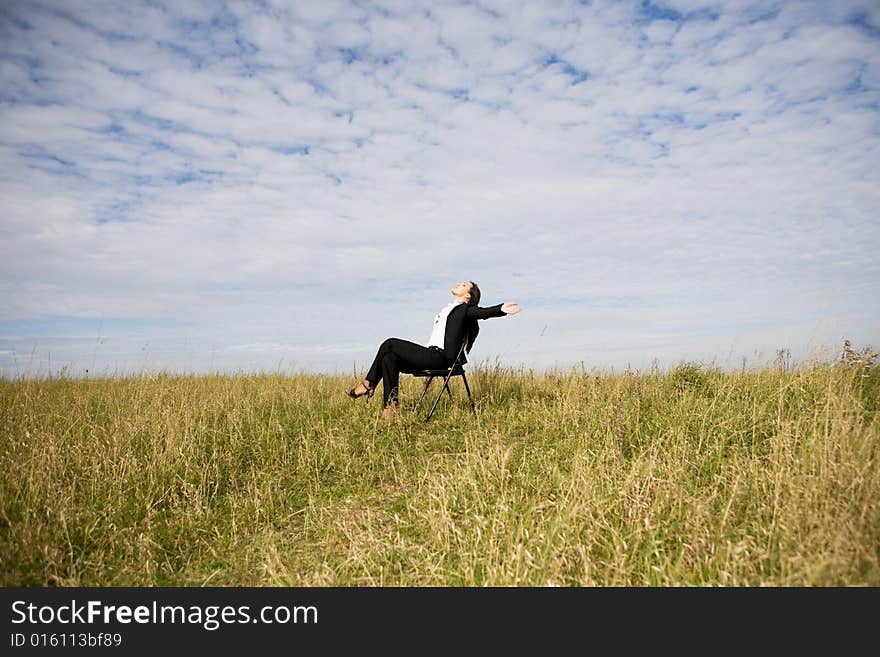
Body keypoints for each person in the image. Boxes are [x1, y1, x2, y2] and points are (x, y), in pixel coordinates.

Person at [347, 281, 523, 419]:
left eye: (463, 285)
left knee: (390, 343)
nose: (458, 284)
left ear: (468, 295)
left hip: (441, 358)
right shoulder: (449, 308)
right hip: (430, 354)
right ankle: (391, 408)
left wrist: (501, 309)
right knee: (389, 358)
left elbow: (482, 313)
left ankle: (368, 384)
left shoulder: (465, 310)